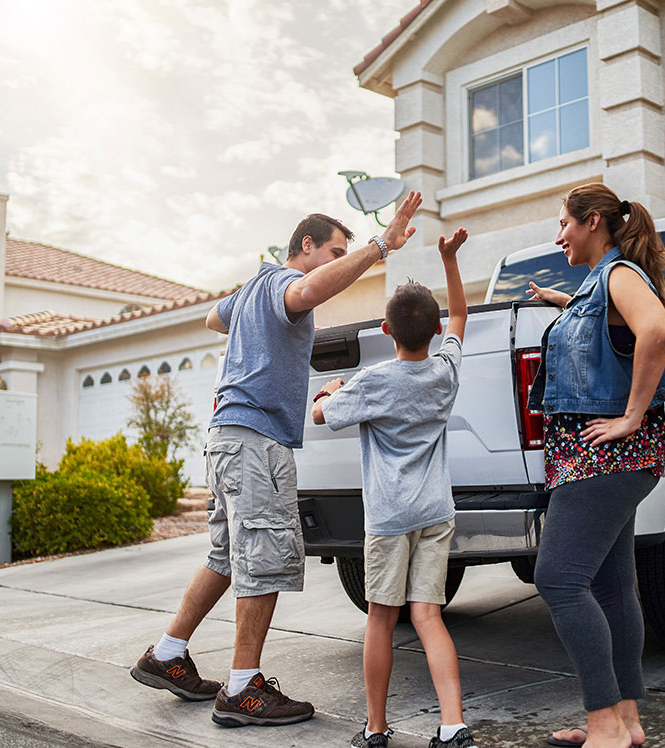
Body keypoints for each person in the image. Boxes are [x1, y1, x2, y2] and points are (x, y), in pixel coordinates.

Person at [130, 192, 423, 729]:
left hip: (228, 437)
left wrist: (253, 323)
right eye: (334, 252)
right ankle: (243, 689)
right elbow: (307, 289)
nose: (337, 262)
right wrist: (381, 246)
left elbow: (210, 320)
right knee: (263, 555)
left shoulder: (252, 290)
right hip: (255, 440)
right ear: (304, 245)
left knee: (226, 554)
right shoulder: (283, 286)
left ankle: (168, 654)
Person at [312, 227, 479, 748]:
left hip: (388, 519)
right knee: (429, 616)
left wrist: (333, 387)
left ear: (386, 330)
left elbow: (321, 415)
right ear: (433, 331)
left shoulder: (375, 381)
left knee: (382, 620)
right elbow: (461, 317)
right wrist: (449, 260)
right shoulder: (446, 371)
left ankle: (377, 728)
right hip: (435, 513)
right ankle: (452, 726)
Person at [525, 183, 665, 748]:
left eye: (563, 223)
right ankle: (629, 721)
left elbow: (656, 330)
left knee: (559, 579)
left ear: (593, 221)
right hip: (597, 459)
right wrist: (559, 303)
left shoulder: (620, 276)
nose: (558, 234)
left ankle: (605, 723)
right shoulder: (600, 283)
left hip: (604, 456)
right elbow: (603, 329)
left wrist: (633, 414)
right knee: (612, 586)